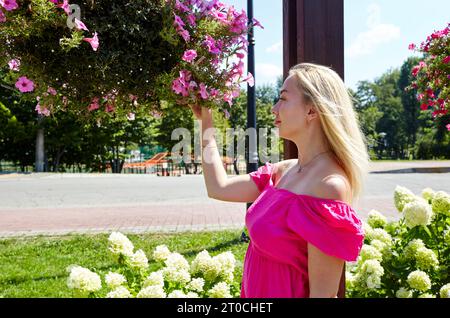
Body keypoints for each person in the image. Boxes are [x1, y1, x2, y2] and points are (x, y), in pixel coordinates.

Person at [189, 63, 369, 298]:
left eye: (283, 99)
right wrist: (206, 122)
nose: (274, 108)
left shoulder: (328, 186)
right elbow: (218, 187)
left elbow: (322, 295)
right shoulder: (281, 172)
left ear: (312, 111)